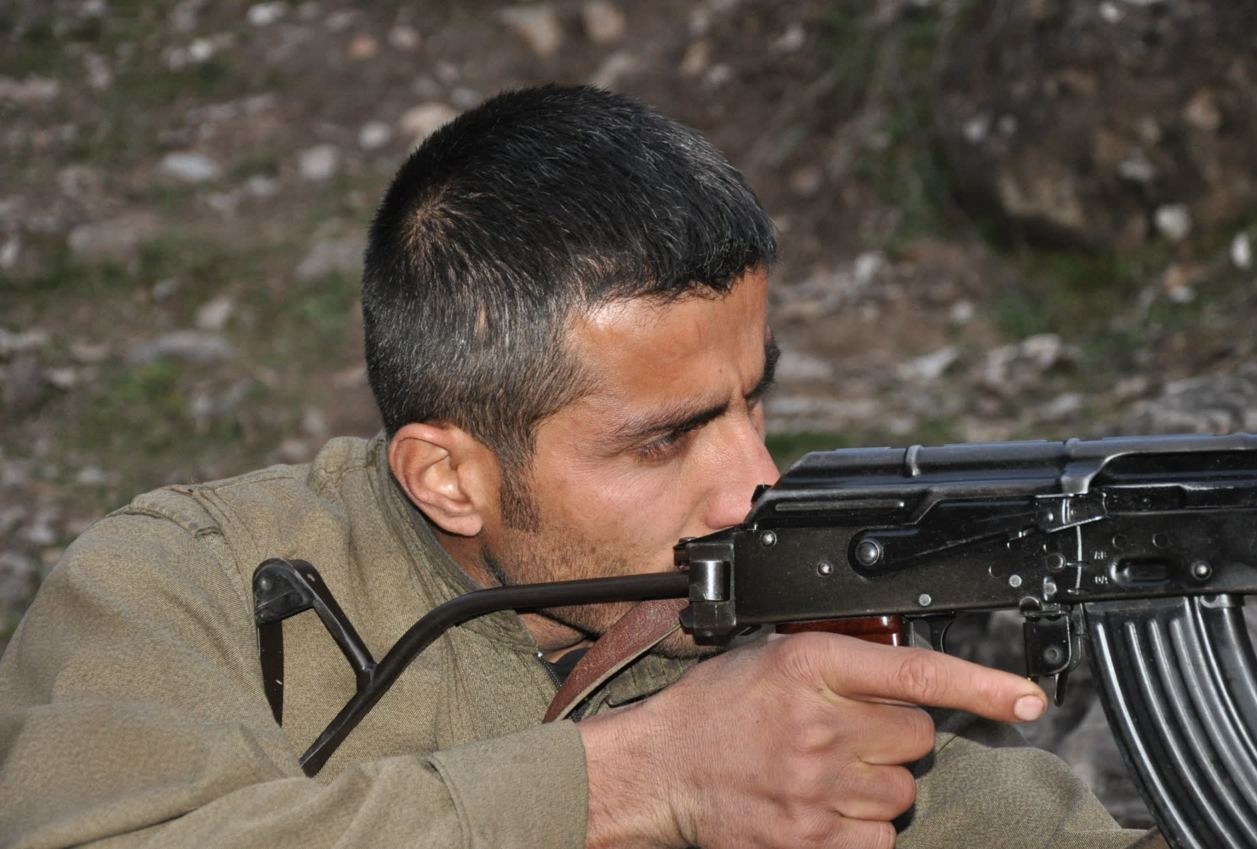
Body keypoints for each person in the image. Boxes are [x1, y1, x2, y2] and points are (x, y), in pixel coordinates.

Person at [0, 85, 1164, 849]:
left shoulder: (745, 636)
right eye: (662, 439)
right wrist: (644, 779)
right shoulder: (183, 584)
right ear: (446, 478)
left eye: (753, 398)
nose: (751, 485)